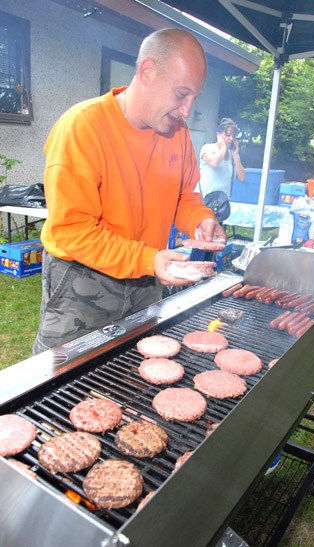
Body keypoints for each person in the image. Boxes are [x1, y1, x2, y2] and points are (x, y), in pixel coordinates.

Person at [33, 28, 226, 354]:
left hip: (147, 274)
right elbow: (72, 231)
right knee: (61, 379)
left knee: (133, 370)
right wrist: (148, 259)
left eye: (195, 97)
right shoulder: (82, 128)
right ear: (148, 72)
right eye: (182, 93)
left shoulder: (176, 132)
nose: (187, 110)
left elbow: (183, 195)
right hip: (84, 277)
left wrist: (200, 219)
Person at [197, 117, 246, 199]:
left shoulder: (233, 155)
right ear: (219, 135)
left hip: (222, 204)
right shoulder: (207, 148)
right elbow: (214, 163)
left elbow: (242, 177)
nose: (231, 138)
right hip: (204, 202)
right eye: (228, 135)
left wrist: (235, 156)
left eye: (233, 136)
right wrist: (223, 147)